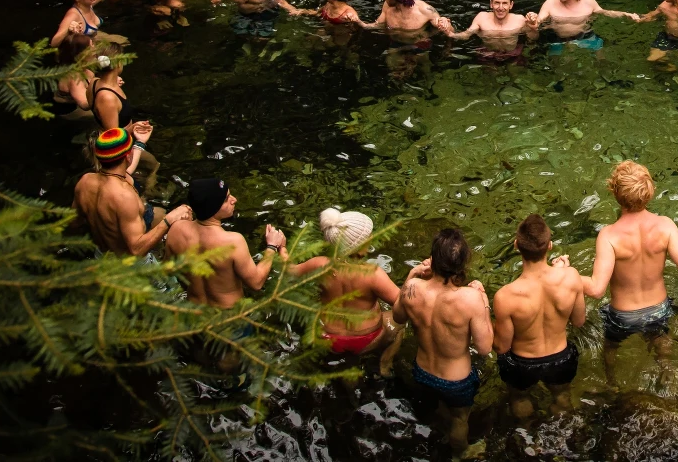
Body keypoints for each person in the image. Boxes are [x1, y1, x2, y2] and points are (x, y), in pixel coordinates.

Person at [580, 160, 678, 378]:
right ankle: (669, 376)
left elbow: (596, 289)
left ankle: (611, 382)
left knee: (611, 347)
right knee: (661, 342)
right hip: (658, 309)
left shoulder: (609, 236)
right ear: (650, 191)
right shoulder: (665, 225)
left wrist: (567, 275)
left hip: (623, 316)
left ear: (614, 192)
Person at [392, 229, 493, 457]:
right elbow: (485, 347)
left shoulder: (412, 287)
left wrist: (413, 274)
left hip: (422, 372)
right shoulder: (470, 298)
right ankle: (462, 452)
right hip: (456, 382)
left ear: (433, 259)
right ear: (461, 264)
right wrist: (484, 301)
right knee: (459, 419)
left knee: (436, 407)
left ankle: (438, 429)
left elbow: (398, 317)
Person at [492, 214, 586, 418]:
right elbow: (579, 321)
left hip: (522, 365)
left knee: (520, 399)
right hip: (561, 360)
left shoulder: (505, 296)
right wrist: (562, 270)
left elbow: (501, 347)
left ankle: (526, 434)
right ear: (549, 246)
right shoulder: (571, 277)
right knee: (562, 397)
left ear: (517, 245)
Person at [287, 208, 402, 374]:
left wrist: (280, 247)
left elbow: (289, 271)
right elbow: (404, 304)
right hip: (367, 339)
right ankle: (386, 361)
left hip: (327, 337)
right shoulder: (373, 274)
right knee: (399, 324)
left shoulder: (320, 265)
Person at [163, 178, 289, 308]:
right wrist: (272, 246)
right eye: (226, 199)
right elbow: (256, 283)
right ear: (213, 208)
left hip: (193, 316)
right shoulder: (233, 241)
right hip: (228, 320)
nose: (234, 199)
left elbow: (168, 270)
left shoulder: (175, 230)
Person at [71, 127, 189, 256]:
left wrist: (140, 143)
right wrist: (170, 220)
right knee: (169, 220)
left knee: (158, 212)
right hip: (129, 266)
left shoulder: (85, 182)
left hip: (101, 255)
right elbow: (136, 250)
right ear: (128, 156)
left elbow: (74, 223)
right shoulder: (124, 196)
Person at [524, 0, 639, 54]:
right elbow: (539, 20)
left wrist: (625, 14)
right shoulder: (550, 3)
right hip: (558, 39)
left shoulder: (588, 2)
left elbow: (606, 13)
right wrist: (533, 20)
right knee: (556, 65)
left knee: (601, 56)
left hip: (585, 36)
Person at [444, 0, 538, 64]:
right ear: (491, 4)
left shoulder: (519, 20)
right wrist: (452, 34)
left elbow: (533, 38)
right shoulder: (482, 18)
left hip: (513, 54)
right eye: (497, 3)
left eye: (504, 3)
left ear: (511, 5)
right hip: (488, 54)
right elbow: (467, 34)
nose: (501, 8)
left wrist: (533, 27)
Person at [50, 0, 123, 47]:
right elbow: (54, 43)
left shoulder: (87, 4)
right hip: (84, 50)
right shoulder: (73, 15)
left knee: (123, 41)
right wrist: (68, 31)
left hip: (94, 38)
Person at [88, 47, 135, 131]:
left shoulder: (94, 81)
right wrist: (134, 128)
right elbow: (112, 138)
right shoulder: (107, 98)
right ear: (118, 63)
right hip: (122, 142)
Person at [51, 32, 95, 120]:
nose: (94, 48)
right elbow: (85, 105)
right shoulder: (74, 77)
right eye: (90, 47)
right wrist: (104, 89)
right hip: (70, 112)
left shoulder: (84, 67)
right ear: (80, 54)